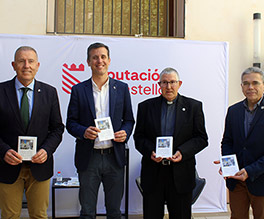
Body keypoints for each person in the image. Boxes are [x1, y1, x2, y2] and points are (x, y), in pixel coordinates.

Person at [66, 42, 134, 219]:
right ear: (88, 62)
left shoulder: (122, 88)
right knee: (87, 211)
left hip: (115, 156)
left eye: (103, 57)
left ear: (109, 60)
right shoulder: (78, 90)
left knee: (114, 211)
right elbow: (71, 122)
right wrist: (83, 131)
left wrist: (125, 133)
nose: (99, 61)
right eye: (95, 57)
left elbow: (129, 120)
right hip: (89, 158)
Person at [134, 67, 208, 219]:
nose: (169, 87)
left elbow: (201, 138)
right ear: (159, 84)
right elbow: (139, 137)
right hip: (153, 172)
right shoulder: (145, 107)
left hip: (181, 173)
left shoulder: (193, 107)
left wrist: (182, 152)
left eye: (172, 82)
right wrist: (150, 152)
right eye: (164, 82)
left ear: (179, 84)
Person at [0, 46, 64, 218]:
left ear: (38, 65)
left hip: (40, 166)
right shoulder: (1, 91)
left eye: (31, 61)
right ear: (13, 65)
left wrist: (46, 150)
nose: (26, 65)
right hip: (8, 166)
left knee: (39, 215)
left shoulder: (50, 93)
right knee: (9, 215)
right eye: (21, 61)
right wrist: (4, 151)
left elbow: (57, 128)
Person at [217, 67, 264, 219]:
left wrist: (250, 171)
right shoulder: (233, 111)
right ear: (241, 87)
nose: (250, 87)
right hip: (236, 180)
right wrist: (228, 163)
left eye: (255, 83)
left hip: (262, 179)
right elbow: (227, 141)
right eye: (246, 83)